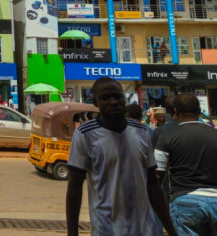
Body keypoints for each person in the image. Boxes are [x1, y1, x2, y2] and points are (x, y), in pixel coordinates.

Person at [65, 77, 177, 236]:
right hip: (107, 230)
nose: (113, 102)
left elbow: (152, 185)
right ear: (95, 102)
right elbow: (74, 188)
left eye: (117, 96)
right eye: (105, 98)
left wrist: (172, 230)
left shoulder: (141, 131)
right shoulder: (84, 134)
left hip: (145, 229)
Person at [155, 93, 217, 236]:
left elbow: (156, 178)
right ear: (200, 110)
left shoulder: (166, 138)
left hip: (185, 202)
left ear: (175, 111)